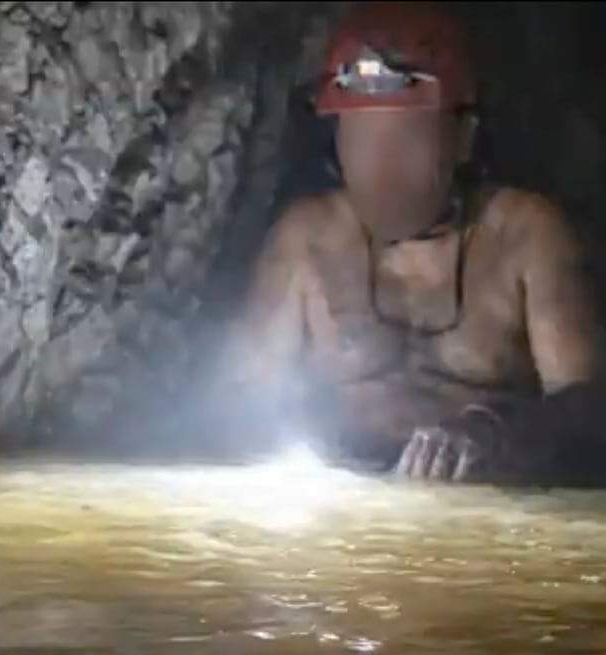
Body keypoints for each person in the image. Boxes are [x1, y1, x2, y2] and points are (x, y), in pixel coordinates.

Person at [213, 1, 606, 485]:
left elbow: (591, 412)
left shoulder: (526, 237)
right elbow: (231, 406)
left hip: (480, 509)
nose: (382, 170)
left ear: (464, 139)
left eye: (409, 138)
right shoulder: (306, 240)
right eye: (361, 139)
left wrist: (493, 434)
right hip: (346, 502)